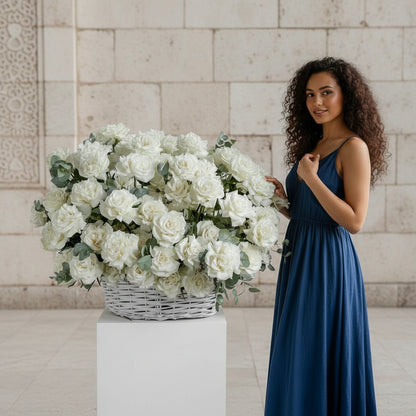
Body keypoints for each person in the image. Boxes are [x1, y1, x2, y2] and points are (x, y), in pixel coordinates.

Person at [264, 57, 388, 416]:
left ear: (345, 96)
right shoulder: (314, 143)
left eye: (326, 93)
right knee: (296, 349)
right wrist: (283, 203)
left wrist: (312, 179)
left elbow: (354, 220)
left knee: (317, 348)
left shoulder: (354, 147)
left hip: (328, 265)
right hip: (298, 253)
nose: (317, 102)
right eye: (309, 95)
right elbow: (313, 212)